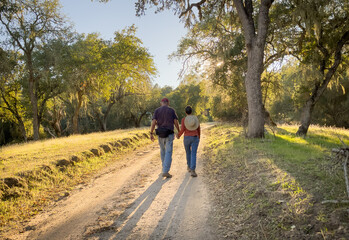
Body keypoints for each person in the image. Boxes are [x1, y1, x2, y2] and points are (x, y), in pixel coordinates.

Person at [150, 98, 180, 178]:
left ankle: (164, 168)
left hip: (160, 134)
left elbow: (153, 122)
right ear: (168, 103)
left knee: (162, 150)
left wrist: (151, 133)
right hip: (169, 133)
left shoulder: (157, 110)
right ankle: (165, 171)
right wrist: (178, 130)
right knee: (168, 152)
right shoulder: (171, 110)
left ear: (161, 103)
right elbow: (176, 122)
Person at [177, 106, 200, 177]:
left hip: (187, 138)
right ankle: (193, 170)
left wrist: (179, 135)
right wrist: (199, 136)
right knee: (193, 153)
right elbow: (198, 128)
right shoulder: (195, 119)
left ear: (185, 112)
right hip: (195, 137)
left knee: (188, 152)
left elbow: (183, 129)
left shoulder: (184, 119)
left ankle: (189, 167)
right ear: (191, 111)